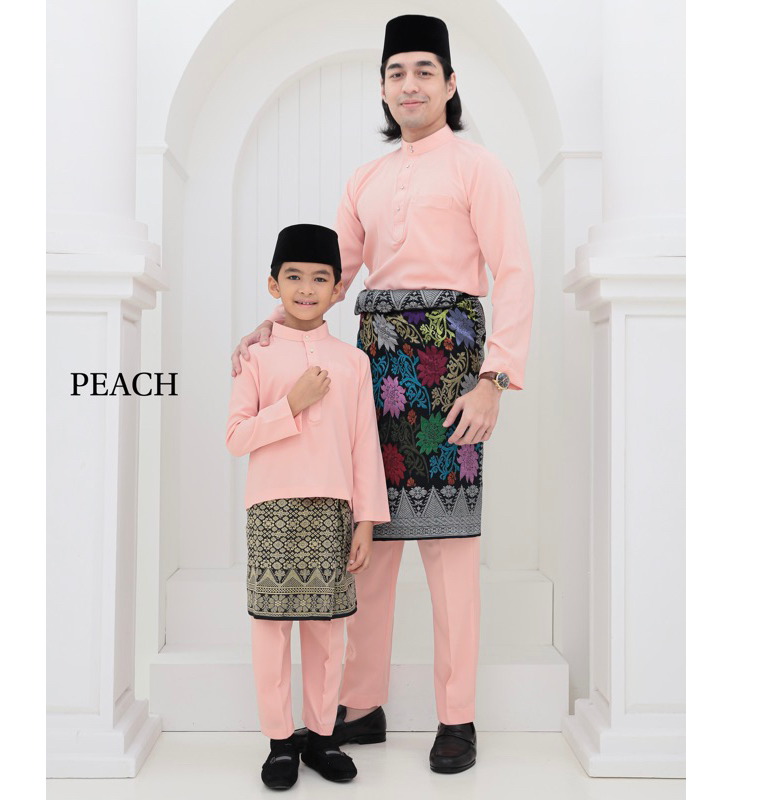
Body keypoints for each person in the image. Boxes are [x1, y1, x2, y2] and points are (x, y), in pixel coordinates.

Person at [231, 15, 534, 775]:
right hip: (376, 368)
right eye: (397, 71)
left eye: (425, 70)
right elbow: (330, 277)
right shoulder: (364, 179)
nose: (410, 84)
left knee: (451, 550)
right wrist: (273, 326)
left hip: (452, 369)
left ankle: (457, 716)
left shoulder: (479, 168)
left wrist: (495, 378)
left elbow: (514, 272)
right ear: (383, 86)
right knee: (367, 540)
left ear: (450, 84)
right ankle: (361, 704)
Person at [225, 223, 391, 789]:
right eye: (293, 277)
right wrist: (290, 406)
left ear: (337, 288)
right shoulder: (256, 355)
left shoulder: (352, 362)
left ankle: (321, 737)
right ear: (273, 284)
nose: (306, 288)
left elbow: (364, 444)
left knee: (328, 630)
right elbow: (235, 436)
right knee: (271, 631)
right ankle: (279, 743)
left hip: (333, 510)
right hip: (272, 509)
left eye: (320, 278)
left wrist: (366, 522)